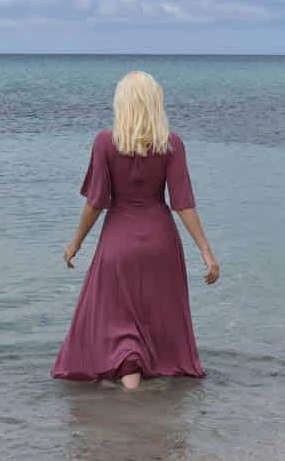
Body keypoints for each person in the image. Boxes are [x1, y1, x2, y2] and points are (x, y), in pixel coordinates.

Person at [51, 70, 219, 390]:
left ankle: (130, 390)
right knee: (157, 316)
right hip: (162, 243)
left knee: (118, 320)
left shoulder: (105, 142)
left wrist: (75, 243)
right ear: (155, 103)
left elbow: (97, 202)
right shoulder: (172, 145)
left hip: (118, 243)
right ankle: (156, 390)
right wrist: (206, 252)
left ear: (122, 104)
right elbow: (183, 203)